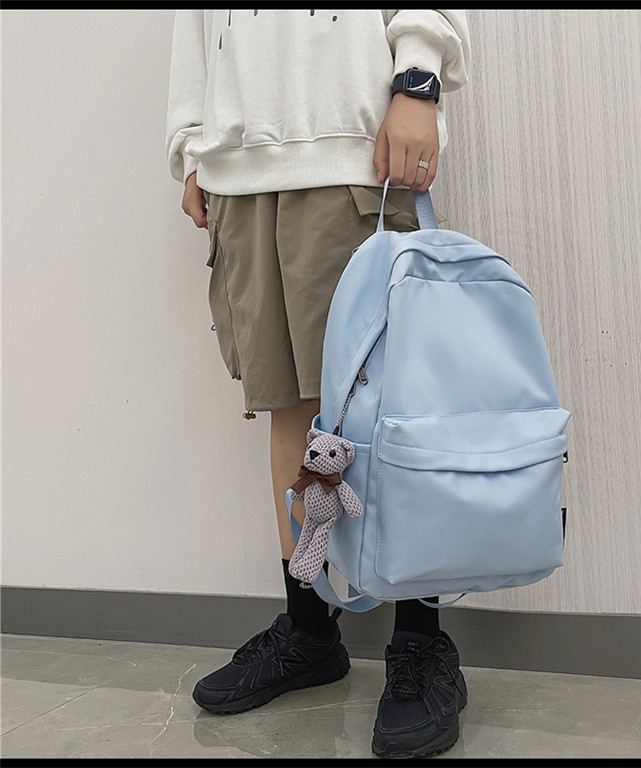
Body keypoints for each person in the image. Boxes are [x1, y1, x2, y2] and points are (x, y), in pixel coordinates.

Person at [165, 9, 470, 759]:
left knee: (388, 409)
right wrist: (192, 142)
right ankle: (309, 630)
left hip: (353, 151)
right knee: (290, 409)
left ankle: (421, 639)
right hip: (241, 167)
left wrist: (419, 80)